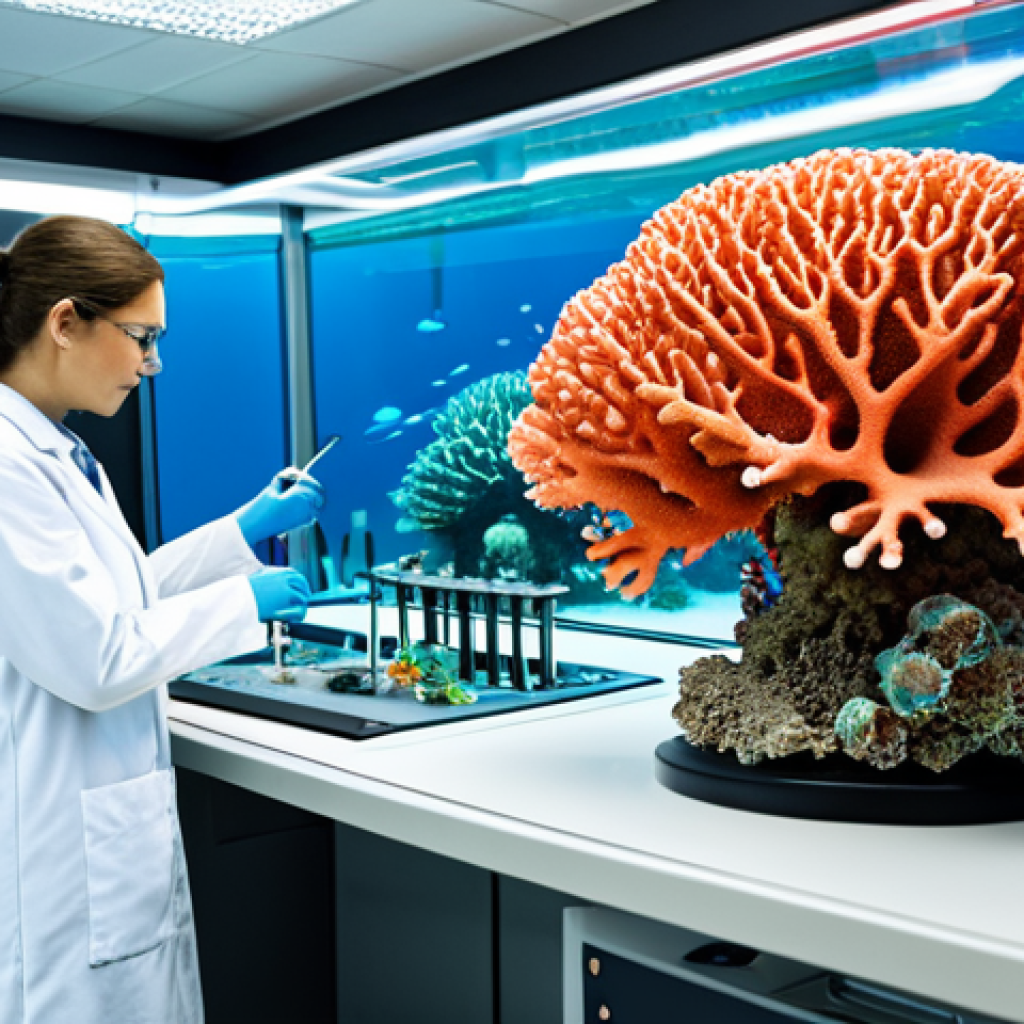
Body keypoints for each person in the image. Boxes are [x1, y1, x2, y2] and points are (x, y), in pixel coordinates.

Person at [0, 216, 324, 1024]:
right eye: (141, 336)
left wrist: (236, 534)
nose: (154, 363)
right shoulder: (8, 466)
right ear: (65, 322)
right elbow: (97, 656)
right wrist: (244, 603)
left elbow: (115, 599)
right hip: (58, 852)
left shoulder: (60, 452)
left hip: (104, 831)